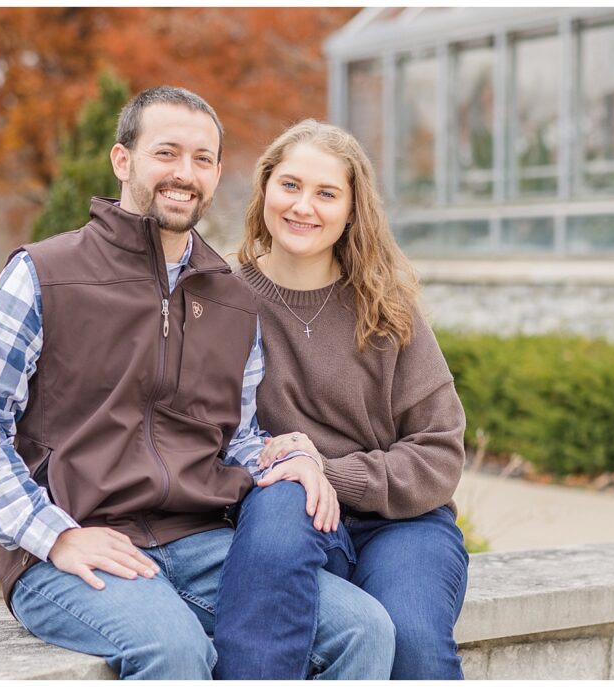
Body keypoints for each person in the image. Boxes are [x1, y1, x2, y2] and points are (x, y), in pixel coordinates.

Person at [0, 88, 395, 680]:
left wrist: (290, 457)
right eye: (167, 153)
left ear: (218, 175)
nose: (185, 173)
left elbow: (236, 437)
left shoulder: (231, 298)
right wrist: (53, 536)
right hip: (74, 546)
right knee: (175, 651)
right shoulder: (45, 274)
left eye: (203, 159)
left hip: (204, 542)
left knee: (364, 630)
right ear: (122, 161)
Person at [214, 119, 470, 680]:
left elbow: (440, 451)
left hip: (401, 525)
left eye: (326, 193)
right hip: (282, 516)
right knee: (282, 504)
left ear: (352, 210)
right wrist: (293, 474)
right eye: (290, 185)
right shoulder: (223, 301)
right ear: (265, 192)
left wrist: (326, 472)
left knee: (414, 641)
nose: (303, 206)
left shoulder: (388, 309)